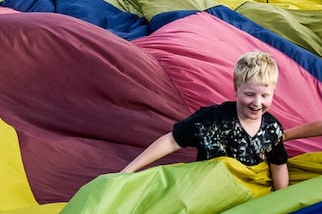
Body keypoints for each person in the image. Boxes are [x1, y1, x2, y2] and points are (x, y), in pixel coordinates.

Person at [120, 51, 291, 190]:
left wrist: (280, 200)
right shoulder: (211, 120)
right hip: (207, 190)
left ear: (273, 93)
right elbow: (172, 140)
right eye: (249, 94)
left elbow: (278, 165)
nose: (257, 102)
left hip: (246, 193)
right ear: (236, 89)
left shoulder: (272, 129)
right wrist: (129, 170)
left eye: (264, 96)